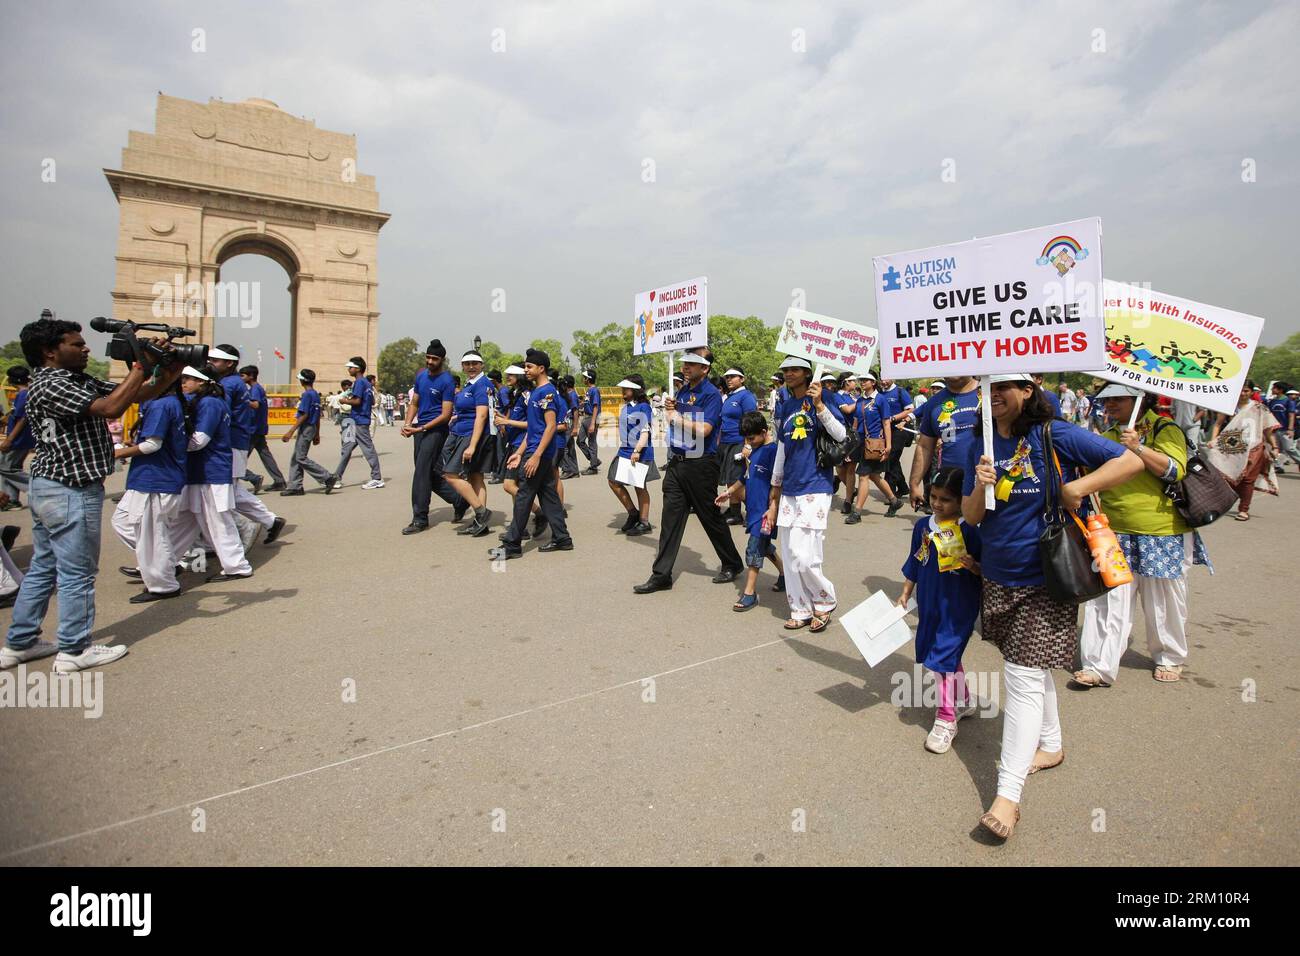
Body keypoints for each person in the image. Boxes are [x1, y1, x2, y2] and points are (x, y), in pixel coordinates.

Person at [962, 372, 1142, 840]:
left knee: (1021, 677)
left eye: (1005, 386)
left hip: (1048, 576)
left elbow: (1128, 462)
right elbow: (972, 516)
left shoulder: (1053, 433)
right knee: (1031, 668)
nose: (995, 394)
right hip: (998, 574)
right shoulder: (977, 442)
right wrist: (980, 485)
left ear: (1028, 391)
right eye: (988, 387)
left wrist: (1078, 490)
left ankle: (1008, 795)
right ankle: (1052, 745)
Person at [1, 316, 185, 673]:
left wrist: (170, 372)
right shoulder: (52, 383)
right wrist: (140, 365)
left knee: (44, 567)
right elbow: (110, 408)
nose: (85, 348)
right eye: (75, 344)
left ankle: (20, 643)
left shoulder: (73, 379)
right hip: (70, 488)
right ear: (49, 352)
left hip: (52, 487)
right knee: (78, 573)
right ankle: (74, 649)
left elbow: (135, 395)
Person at [1076, 385, 1210, 687]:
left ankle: (1169, 656)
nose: (1110, 404)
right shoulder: (1107, 435)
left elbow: (1175, 470)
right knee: (1108, 599)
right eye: (1107, 399)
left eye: (1118, 399)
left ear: (1140, 399)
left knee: (1163, 600)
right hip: (1112, 530)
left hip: (1161, 530)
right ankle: (1098, 665)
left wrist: (1138, 447)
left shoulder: (1165, 428)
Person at [633, 349, 743, 593]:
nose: (686, 367)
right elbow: (679, 414)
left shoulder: (711, 394)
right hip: (677, 463)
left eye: (692, 364)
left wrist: (674, 417)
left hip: (701, 463)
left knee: (710, 517)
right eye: (684, 363)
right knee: (670, 519)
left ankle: (732, 563)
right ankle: (661, 574)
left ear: (705, 369)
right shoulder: (682, 390)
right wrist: (672, 406)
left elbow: (704, 429)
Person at [897, 466, 983, 753]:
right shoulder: (923, 527)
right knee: (941, 651)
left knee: (941, 656)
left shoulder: (970, 530)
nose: (937, 503)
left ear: (961, 500)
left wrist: (973, 565)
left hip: (958, 605)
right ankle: (964, 700)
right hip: (930, 602)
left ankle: (946, 719)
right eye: (934, 496)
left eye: (945, 499)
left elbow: (988, 570)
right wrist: (906, 591)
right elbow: (915, 561)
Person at [762, 355, 846, 632]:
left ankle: (824, 601)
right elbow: (782, 449)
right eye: (785, 370)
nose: (788, 373)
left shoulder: (825, 397)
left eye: (794, 369)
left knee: (805, 553)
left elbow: (840, 434)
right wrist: (774, 490)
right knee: (789, 552)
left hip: (816, 484)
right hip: (789, 488)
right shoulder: (786, 405)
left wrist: (820, 404)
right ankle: (800, 607)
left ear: (807, 373)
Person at [170, 366, 255, 582]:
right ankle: (162, 563)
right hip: (200, 473)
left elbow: (199, 440)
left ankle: (237, 566)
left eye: (188, 379)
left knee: (218, 522)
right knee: (184, 522)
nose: (184, 383)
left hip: (211, 472)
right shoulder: (208, 402)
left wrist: (171, 446)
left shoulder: (209, 403)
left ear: (202, 381)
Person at [487, 349, 573, 560]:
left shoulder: (547, 393)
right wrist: (520, 452)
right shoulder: (536, 392)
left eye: (529, 367)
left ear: (540, 369)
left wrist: (535, 456)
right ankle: (563, 538)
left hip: (540, 454)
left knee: (524, 496)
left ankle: (512, 545)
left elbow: (551, 426)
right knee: (549, 497)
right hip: (533, 450)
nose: (525, 370)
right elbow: (534, 429)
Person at [111, 378, 188, 602]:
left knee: (152, 535)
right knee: (124, 521)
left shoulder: (161, 405)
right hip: (149, 477)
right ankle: (164, 563)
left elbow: (152, 445)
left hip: (157, 477)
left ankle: (163, 584)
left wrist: (116, 453)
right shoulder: (168, 403)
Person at [208, 345, 286, 547]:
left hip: (232, 441)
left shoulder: (229, 384)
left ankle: (243, 530)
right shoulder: (231, 382)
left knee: (225, 490)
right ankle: (269, 521)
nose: (211, 364)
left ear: (230, 363)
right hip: (237, 439)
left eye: (215, 361)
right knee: (230, 489)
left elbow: (218, 411)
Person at [401, 340, 467, 533]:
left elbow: (446, 415)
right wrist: (407, 423)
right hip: (419, 429)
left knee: (421, 472)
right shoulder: (421, 377)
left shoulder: (446, 381)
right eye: (428, 357)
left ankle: (420, 518)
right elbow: (414, 402)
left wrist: (421, 429)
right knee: (428, 472)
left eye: (434, 359)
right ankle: (459, 499)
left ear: (442, 360)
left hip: (436, 431)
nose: (430, 361)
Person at [721, 410, 783, 611]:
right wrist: (730, 492)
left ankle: (749, 593)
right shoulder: (755, 451)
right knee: (763, 547)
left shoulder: (772, 452)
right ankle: (785, 575)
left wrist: (773, 507)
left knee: (754, 548)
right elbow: (747, 477)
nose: (749, 442)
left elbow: (778, 483)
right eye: (746, 438)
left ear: (764, 432)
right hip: (754, 510)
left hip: (765, 513)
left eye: (752, 437)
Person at [1205, 380, 1280, 521]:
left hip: (1254, 447)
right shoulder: (1228, 406)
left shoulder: (1259, 408)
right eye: (1241, 390)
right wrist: (1213, 440)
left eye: (1246, 391)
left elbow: (1268, 429)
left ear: (1252, 392)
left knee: (1247, 480)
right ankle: (1221, 505)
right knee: (1227, 477)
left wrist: (1274, 446)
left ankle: (1244, 509)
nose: (1243, 393)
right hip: (1232, 447)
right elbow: (1218, 424)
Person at [441, 349, 494, 536]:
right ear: (462, 366)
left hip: (470, 435)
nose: (471, 367)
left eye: (475, 363)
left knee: (450, 474)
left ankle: (481, 511)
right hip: (462, 432)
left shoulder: (482, 384)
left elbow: (481, 415)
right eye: (467, 364)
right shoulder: (470, 384)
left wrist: (472, 445)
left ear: (482, 365)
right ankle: (481, 523)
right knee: (475, 477)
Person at [910, 374, 981, 513]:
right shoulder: (933, 403)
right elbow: (924, 446)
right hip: (951, 489)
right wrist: (914, 483)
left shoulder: (991, 393)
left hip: (988, 485)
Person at [607, 374, 657, 536]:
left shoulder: (644, 407)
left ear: (635, 389)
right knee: (613, 480)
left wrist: (637, 451)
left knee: (639, 486)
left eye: (626, 388)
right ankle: (633, 512)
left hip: (638, 451)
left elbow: (645, 432)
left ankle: (644, 522)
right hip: (625, 449)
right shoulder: (627, 406)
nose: (623, 391)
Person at [848, 373, 901, 521]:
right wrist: (851, 442)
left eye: (865, 380)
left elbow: (886, 423)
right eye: (861, 380)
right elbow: (856, 421)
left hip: (875, 443)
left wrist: (888, 445)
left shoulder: (880, 400)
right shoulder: (860, 400)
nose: (862, 382)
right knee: (874, 476)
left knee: (864, 475)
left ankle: (857, 512)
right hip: (861, 443)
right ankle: (894, 501)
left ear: (873, 382)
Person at [279, 368, 336, 495]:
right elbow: (317, 415)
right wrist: (317, 433)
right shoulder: (315, 394)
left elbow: (304, 415)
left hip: (306, 427)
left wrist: (290, 431)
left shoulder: (306, 395)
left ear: (303, 380)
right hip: (311, 427)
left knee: (300, 457)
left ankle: (327, 477)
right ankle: (295, 486)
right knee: (296, 457)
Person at [334, 357, 384, 490]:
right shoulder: (367, 383)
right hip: (355, 421)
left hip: (359, 421)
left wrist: (345, 401)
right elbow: (372, 401)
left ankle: (377, 478)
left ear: (357, 368)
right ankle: (336, 478)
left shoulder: (359, 383)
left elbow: (357, 401)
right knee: (346, 450)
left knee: (368, 450)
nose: (349, 370)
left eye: (350, 367)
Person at [493, 365, 531, 536]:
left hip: (522, 445)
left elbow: (533, 424)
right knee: (513, 486)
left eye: (511, 374)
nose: (507, 376)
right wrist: (502, 419)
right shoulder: (515, 394)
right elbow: (515, 419)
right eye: (507, 373)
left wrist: (507, 422)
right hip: (513, 443)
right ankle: (519, 526)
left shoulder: (526, 396)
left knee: (509, 485)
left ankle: (538, 513)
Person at [718, 367, 758, 526]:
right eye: (727, 377)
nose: (729, 379)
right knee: (730, 478)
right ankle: (735, 513)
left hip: (739, 442)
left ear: (742, 379)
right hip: (726, 443)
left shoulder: (746, 396)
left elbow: (751, 421)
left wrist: (748, 444)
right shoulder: (729, 397)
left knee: (737, 479)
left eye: (733, 377)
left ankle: (755, 512)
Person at [239, 364, 286, 492]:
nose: (240, 378)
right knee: (266, 456)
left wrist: (241, 399)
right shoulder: (255, 389)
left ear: (251, 376)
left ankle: (253, 478)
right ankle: (279, 481)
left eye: (242, 375)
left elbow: (255, 405)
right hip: (258, 428)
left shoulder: (255, 389)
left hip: (253, 429)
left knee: (236, 460)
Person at [0, 365, 34, 509]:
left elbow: (22, 419)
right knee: (11, 468)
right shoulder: (26, 393)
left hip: (18, 439)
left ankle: (39, 488)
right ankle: (12, 500)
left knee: (4, 468)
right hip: (22, 439)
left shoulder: (23, 394)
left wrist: (9, 439)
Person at [876, 376, 914, 500]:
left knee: (891, 458)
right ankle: (903, 487)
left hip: (900, 429)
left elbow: (910, 409)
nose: (884, 382)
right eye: (882, 379)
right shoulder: (880, 393)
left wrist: (894, 418)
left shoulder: (900, 391)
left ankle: (890, 492)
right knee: (894, 461)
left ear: (893, 379)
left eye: (886, 379)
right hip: (886, 431)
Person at [1265, 382, 1300, 471]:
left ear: (1280, 390)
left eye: (1274, 388)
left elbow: (1291, 415)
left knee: (1289, 448)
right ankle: (1278, 466)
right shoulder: (1272, 401)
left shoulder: (1288, 401)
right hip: (1274, 429)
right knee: (1276, 449)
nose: (1272, 390)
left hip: (1285, 429)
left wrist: (1290, 429)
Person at [578, 367, 602, 476]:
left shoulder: (594, 390)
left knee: (592, 442)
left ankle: (593, 467)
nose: (583, 379)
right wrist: (582, 404)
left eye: (585, 377)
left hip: (591, 418)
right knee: (580, 441)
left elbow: (596, 407)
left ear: (589, 379)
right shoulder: (589, 390)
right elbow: (589, 403)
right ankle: (594, 460)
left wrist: (593, 423)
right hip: (586, 417)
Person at [490, 370, 511, 484]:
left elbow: (509, 408)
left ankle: (501, 475)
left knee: (500, 450)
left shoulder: (503, 392)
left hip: (502, 425)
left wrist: (504, 423)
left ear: (493, 380)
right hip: (499, 423)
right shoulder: (500, 391)